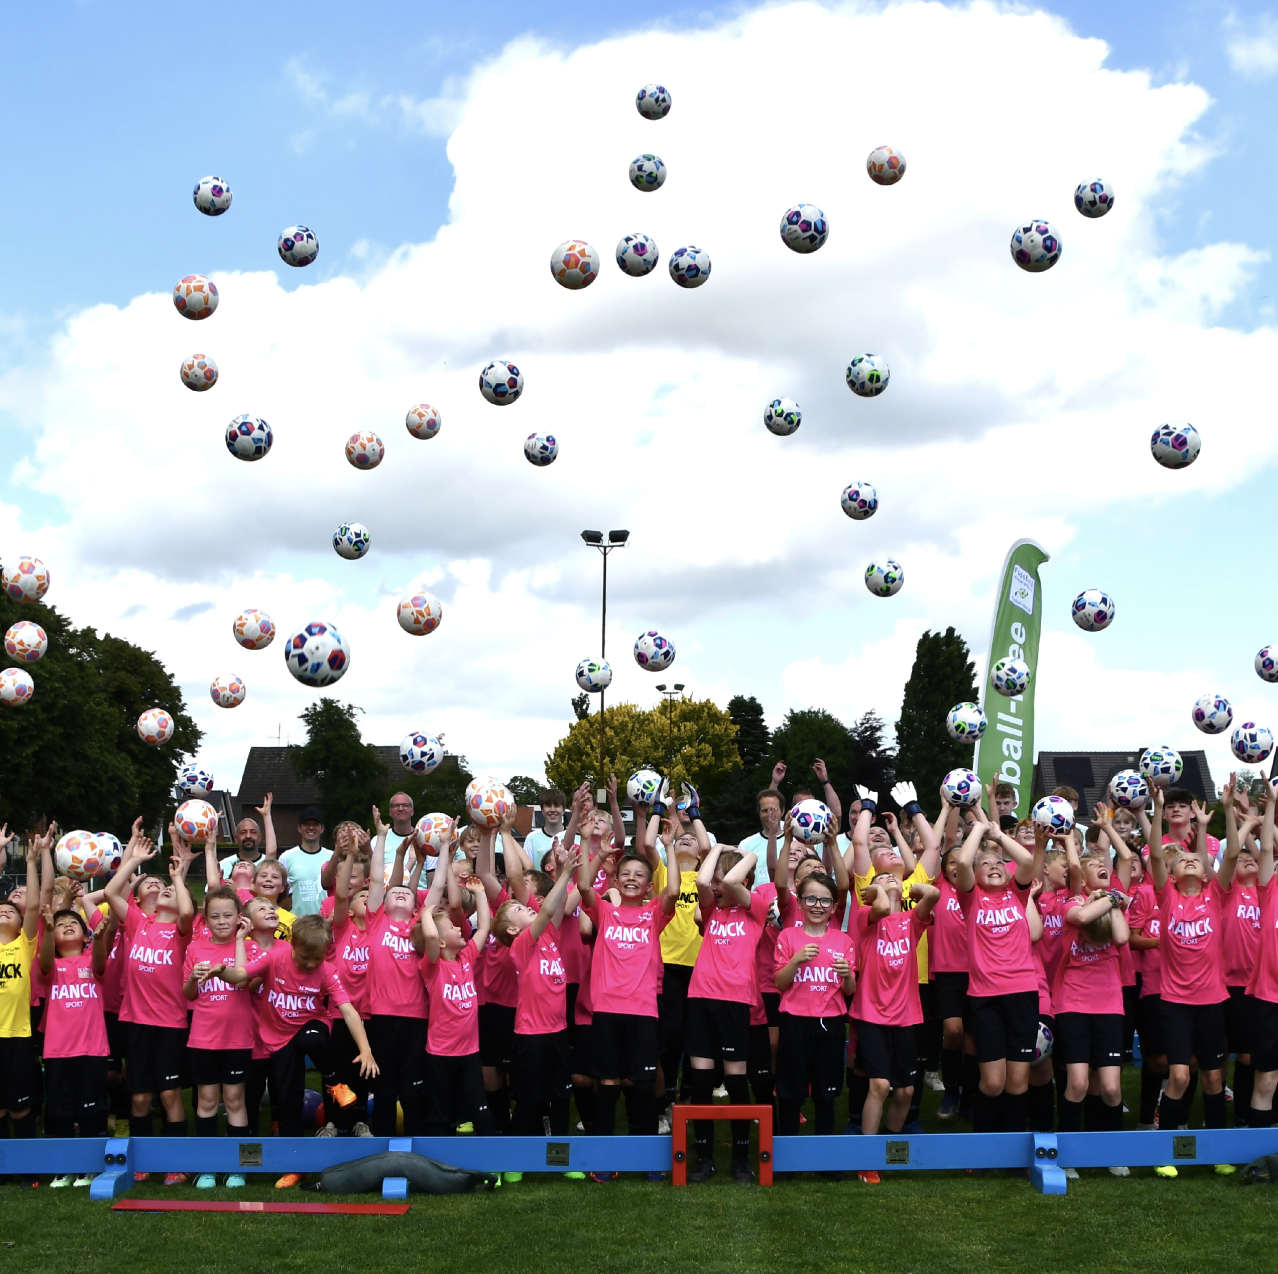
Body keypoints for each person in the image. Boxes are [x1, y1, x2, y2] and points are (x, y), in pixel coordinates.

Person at [223, 913, 378, 1188]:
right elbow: (240, 975)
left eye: (318, 958)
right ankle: (294, 1166)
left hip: (311, 1027)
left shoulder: (327, 971)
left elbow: (348, 1011)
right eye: (305, 957)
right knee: (287, 1100)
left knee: (312, 1041)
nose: (311, 964)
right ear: (292, 945)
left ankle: (336, 1083)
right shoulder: (274, 958)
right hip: (278, 1038)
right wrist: (218, 971)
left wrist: (365, 1050)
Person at [576, 810, 681, 1169]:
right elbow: (584, 886)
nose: (632, 879)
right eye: (626, 874)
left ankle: (647, 1158)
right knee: (607, 1082)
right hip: (607, 1010)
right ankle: (604, 1159)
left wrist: (668, 847)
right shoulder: (605, 912)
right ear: (617, 881)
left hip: (643, 1011)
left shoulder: (653, 914)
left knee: (642, 1083)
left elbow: (674, 890)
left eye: (639, 876)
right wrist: (596, 851)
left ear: (649, 887)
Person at [1146, 785, 1233, 1177]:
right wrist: (1158, 808)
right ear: (1173, 874)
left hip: (1212, 1001)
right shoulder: (1167, 898)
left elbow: (1231, 856)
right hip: (1176, 1003)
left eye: (1196, 860)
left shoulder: (1216, 896)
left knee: (1214, 1078)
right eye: (1183, 861)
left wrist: (1220, 815)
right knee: (1179, 1076)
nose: (1191, 862)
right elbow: (1155, 856)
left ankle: (1217, 1152)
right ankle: (1166, 1151)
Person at [104, 824, 196, 1184]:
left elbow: (186, 913)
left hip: (170, 1025)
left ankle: (176, 1163)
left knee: (170, 1094)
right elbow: (111, 892)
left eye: (171, 890)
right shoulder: (139, 923)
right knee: (140, 1098)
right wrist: (134, 860)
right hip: (136, 1023)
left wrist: (178, 878)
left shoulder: (181, 932)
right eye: (162, 889)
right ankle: (142, 1161)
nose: (165, 891)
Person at [952, 794, 1038, 1134]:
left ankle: (1013, 1147)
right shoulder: (972, 900)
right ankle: (984, 1147)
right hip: (985, 998)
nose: (993, 866)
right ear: (975, 876)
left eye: (999, 863)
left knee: (1017, 1082)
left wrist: (998, 835)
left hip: (1023, 993)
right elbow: (963, 862)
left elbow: (1026, 860)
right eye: (985, 864)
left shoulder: (1017, 894)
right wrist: (978, 829)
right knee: (992, 1082)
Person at [494, 843, 582, 1154]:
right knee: (529, 1099)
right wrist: (566, 874)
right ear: (512, 929)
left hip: (558, 1032)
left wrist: (560, 869)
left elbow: (556, 907)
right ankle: (517, 1162)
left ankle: (558, 1159)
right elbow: (546, 911)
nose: (529, 908)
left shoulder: (548, 936)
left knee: (561, 1096)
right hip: (531, 1036)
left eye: (527, 907)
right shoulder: (521, 946)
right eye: (521, 910)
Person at [684, 844, 764, 1184]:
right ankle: (704, 1156)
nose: (717, 887)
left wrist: (748, 855)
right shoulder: (712, 912)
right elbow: (702, 882)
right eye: (716, 881)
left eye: (723, 881)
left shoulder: (756, 909)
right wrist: (716, 848)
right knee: (701, 1082)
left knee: (736, 1082)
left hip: (734, 1002)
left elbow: (731, 881)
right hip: (701, 999)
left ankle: (741, 1158)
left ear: (743, 881)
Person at [852, 874, 939, 1159]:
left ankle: (889, 1153)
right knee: (879, 1085)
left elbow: (933, 895)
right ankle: (867, 1158)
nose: (890, 877)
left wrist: (912, 890)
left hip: (905, 1015)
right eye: (881, 877)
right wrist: (879, 891)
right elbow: (880, 908)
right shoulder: (865, 915)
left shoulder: (911, 920)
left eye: (894, 877)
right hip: (871, 1014)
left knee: (905, 1092)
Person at [773, 869, 854, 1168]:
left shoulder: (843, 940)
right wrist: (796, 960)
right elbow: (780, 983)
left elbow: (850, 989)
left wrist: (847, 976)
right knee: (790, 1094)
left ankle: (824, 1161)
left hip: (830, 1024)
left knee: (826, 1094)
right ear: (800, 902)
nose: (818, 906)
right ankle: (787, 1161)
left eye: (825, 901)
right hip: (795, 1022)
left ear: (834, 906)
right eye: (811, 899)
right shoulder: (788, 936)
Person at [182, 885, 255, 1185]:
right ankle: (207, 1166)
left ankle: (240, 1167)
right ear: (205, 919)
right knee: (207, 1100)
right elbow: (188, 994)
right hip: (203, 1038)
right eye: (215, 916)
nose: (222, 921)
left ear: (239, 917)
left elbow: (243, 981)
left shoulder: (249, 947)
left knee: (235, 1100)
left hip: (238, 1037)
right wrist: (192, 978)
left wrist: (240, 940)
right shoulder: (195, 949)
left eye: (228, 915)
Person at [38, 888, 112, 1185]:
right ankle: (66, 1166)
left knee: (91, 1108)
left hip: (92, 1049)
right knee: (60, 1110)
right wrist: (47, 929)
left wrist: (100, 937)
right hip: (58, 1051)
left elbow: (100, 964)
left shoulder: (91, 961)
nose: (67, 925)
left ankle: (90, 1166)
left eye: (74, 923)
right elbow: (44, 963)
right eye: (60, 925)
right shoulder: (50, 966)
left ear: (85, 936)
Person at [364, 808, 429, 1136]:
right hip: (382, 1015)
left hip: (417, 1016)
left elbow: (431, 888)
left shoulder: (419, 923)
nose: (400, 892)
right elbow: (379, 880)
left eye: (406, 892)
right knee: (385, 1088)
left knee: (414, 1088)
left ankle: (417, 1145)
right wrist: (382, 836)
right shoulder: (377, 921)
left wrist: (441, 853)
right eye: (394, 892)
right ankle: (382, 1144)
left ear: (415, 905)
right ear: (383, 903)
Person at [421, 858, 494, 1136]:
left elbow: (484, 928)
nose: (458, 928)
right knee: (441, 1116)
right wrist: (426, 913)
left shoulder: (466, 958)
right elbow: (430, 939)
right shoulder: (432, 966)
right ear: (441, 942)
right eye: (451, 928)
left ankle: (488, 1157)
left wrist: (480, 894)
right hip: (440, 1054)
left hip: (470, 1052)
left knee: (480, 1112)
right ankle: (437, 1159)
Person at [1218, 780, 1262, 1127]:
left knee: (1260, 1054)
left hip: (1262, 985)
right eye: (1242, 859)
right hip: (1232, 984)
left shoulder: (1267, 892)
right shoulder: (1228, 892)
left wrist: (1253, 816)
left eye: (1253, 858)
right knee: (1240, 1054)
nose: (1248, 860)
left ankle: (1259, 1111)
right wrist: (1234, 815)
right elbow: (1233, 852)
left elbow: (1265, 853)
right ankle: (1240, 1115)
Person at [0, 827, 44, 1144]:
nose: (4, 911)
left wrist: (31, 860)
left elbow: (33, 906)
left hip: (17, 1035)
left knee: (19, 1107)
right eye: (0, 910)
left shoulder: (23, 946)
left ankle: (28, 1162)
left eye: (9, 911)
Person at [278, 806, 332, 917]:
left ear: (322, 828)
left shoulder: (332, 857)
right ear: (299, 828)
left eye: (315, 824)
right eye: (306, 824)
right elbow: (280, 893)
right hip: (296, 922)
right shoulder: (286, 857)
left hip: (326, 922)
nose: (311, 827)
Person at [219, 793, 277, 878]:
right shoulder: (224, 865)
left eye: (253, 832)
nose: (248, 836)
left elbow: (271, 853)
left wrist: (266, 816)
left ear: (260, 837)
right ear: (236, 838)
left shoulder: (270, 864)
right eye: (243, 832)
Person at [523, 788, 568, 864]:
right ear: (542, 810)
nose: (552, 810)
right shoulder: (531, 838)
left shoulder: (573, 836)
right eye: (548, 806)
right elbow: (527, 869)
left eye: (556, 806)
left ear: (563, 810)